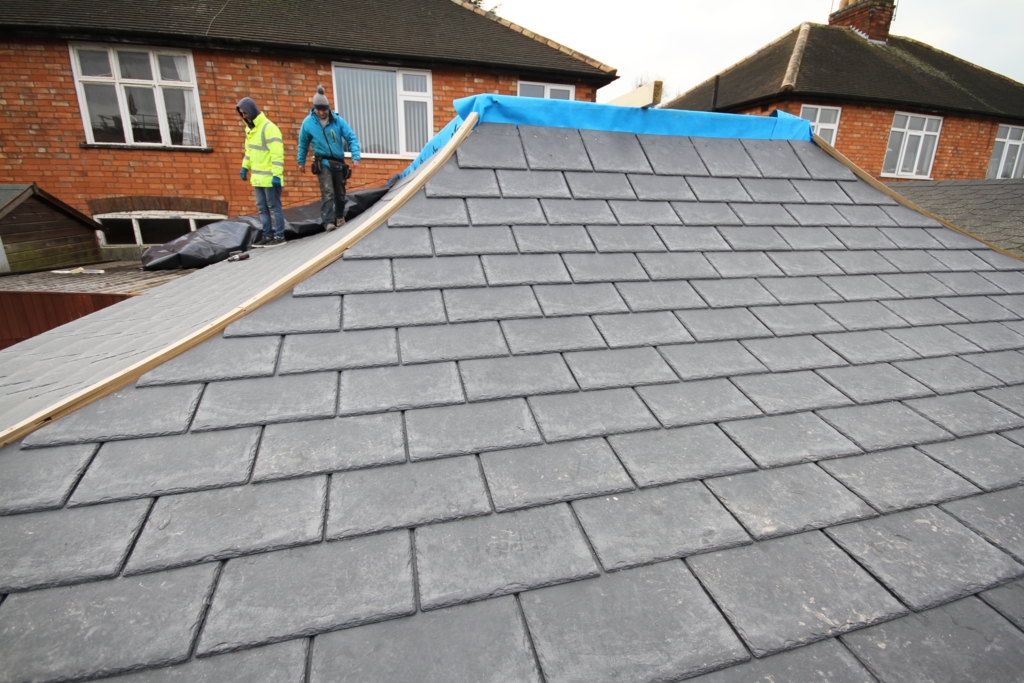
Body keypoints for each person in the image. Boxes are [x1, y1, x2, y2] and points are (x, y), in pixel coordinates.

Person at [297, 85, 360, 230]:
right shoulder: (308, 123)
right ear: (315, 108)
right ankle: (328, 222)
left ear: (328, 108)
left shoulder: (337, 121)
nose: (322, 112)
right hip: (323, 162)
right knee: (328, 192)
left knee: (340, 194)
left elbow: (351, 137)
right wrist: (301, 162)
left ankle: (339, 217)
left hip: (338, 162)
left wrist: (355, 157)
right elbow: (303, 143)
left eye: (324, 109)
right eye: (319, 109)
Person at [237, 96, 286, 247]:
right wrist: (245, 167)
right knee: (262, 208)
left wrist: (277, 175)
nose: (244, 116)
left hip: (270, 177)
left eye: (245, 112)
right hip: (258, 178)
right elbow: (249, 152)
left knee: (274, 206)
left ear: (252, 111)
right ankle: (267, 235)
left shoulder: (269, 128)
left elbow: (277, 154)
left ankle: (279, 235)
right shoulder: (250, 130)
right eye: (242, 114)